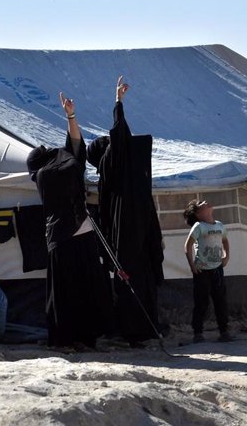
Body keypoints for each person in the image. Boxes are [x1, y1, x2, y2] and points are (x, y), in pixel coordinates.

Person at [26, 92, 113, 349]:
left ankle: (81, 336)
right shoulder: (49, 171)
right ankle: (70, 337)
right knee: (71, 289)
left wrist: (71, 116)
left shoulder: (55, 167)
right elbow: (75, 146)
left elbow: (75, 144)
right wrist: (71, 117)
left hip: (71, 233)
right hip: (67, 234)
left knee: (80, 287)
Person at [87, 76, 165, 347]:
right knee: (136, 276)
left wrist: (119, 102)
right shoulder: (113, 164)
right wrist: (117, 103)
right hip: (134, 228)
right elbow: (119, 136)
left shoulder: (114, 171)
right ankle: (138, 330)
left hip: (128, 232)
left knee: (135, 277)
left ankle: (138, 329)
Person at [183, 199, 232, 343]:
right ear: (198, 213)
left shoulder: (219, 225)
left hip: (217, 269)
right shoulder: (199, 226)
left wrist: (226, 255)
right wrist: (192, 265)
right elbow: (188, 245)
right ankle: (198, 333)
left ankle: (224, 331)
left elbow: (225, 240)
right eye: (201, 203)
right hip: (202, 271)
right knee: (201, 302)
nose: (206, 202)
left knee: (220, 301)